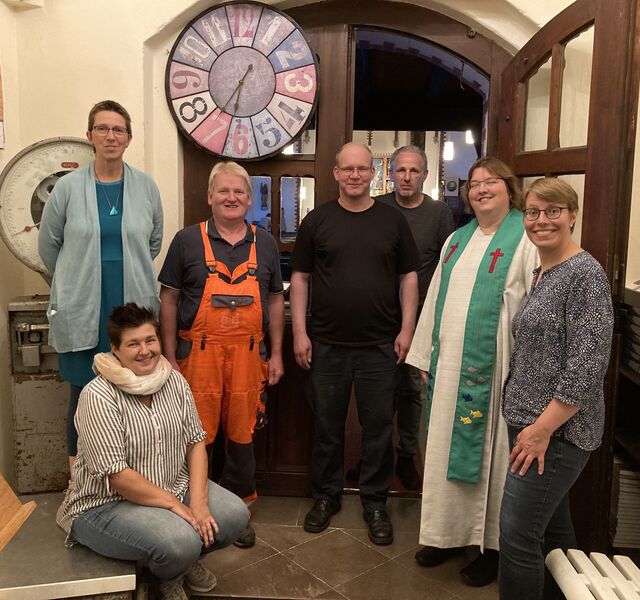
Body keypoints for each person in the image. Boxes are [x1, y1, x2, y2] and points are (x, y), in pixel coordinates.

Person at [56, 303, 248, 600]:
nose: (145, 351)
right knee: (181, 541)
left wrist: (198, 503)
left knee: (235, 515)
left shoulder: (173, 380)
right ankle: (166, 574)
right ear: (116, 350)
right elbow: (117, 476)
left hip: (173, 485)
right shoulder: (98, 396)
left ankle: (180, 564)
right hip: (108, 504)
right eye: (133, 344)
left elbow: (195, 442)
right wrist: (176, 507)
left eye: (150, 340)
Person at [405, 157, 537, 586]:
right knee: (444, 450)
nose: (481, 189)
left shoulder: (525, 238)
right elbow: (435, 299)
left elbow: (535, 308)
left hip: (497, 372)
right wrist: (425, 357)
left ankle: (491, 547)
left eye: (491, 182)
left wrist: (526, 371)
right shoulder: (456, 240)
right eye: (475, 184)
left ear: (509, 189)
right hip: (448, 370)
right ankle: (445, 535)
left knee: (492, 461)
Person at [291, 142, 419, 545]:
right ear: (336, 173)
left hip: (380, 345)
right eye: (347, 169)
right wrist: (299, 332)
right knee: (326, 426)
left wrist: (408, 329)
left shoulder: (393, 221)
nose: (355, 175)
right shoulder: (317, 221)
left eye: (362, 169)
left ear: (373, 173)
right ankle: (326, 497)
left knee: (378, 429)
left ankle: (375, 503)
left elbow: (408, 277)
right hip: (326, 343)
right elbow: (300, 278)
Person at [158, 161, 285, 549]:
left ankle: (237, 514)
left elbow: (275, 300)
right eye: (224, 191)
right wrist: (168, 356)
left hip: (248, 356)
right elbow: (168, 299)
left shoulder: (265, 243)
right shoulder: (186, 241)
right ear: (210, 196)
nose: (232, 198)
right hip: (197, 357)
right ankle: (195, 510)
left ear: (249, 199)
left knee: (241, 437)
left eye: (239, 192)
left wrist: (277, 353)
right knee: (197, 437)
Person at [498, 178, 613, 600]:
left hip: (556, 433)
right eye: (533, 212)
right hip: (531, 426)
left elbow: (586, 368)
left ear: (572, 216)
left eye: (553, 211)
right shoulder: (543, 270)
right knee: (552, 533)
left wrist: (541, 430)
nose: (541, 220)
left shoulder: (585, 276)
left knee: (517, 536)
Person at [39, 100, 163, 470]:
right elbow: (49, 246)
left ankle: (132, 475)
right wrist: (74, 279)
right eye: (102, 128)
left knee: (133, 393)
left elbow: (153, 242)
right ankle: (80, 480)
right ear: (89, 135)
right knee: (83, 395)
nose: (111, 136)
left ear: (129, 138)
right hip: (83, 308)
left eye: (118, 129)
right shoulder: (67, 188)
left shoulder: (146, 187)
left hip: (130, 307)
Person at [373, 145, 455, 490]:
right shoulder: (377, 209)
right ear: (391, 173)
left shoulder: (439, 214)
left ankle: (407, 455)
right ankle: (374, 457)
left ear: (425, 175)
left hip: (422, 318)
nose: (406, 177)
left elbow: (448, 267)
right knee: (377, 391)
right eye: (401, 170)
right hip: (378, 316)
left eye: (414, 171)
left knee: (411, 391)